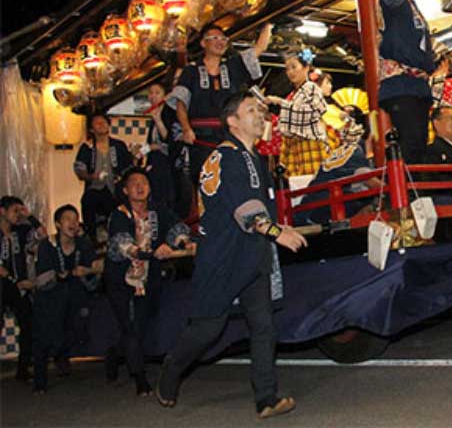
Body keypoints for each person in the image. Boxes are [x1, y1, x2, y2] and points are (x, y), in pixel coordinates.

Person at [157, 91, 307, 419]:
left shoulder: (254, 158)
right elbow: (244, 211)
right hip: (223, 258)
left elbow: (259, 208)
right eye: (251, 110)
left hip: (252, 255)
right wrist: (275, 232)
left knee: (264, 326)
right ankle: (172, 367)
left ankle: (265, 398)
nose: (260, 114)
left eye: (261, 109)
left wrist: (278, 226)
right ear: (232, 121)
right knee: (208, 330)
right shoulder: (225, 157)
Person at [105, 168, 192, 395]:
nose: (140, 186)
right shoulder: (119, 215)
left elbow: (177, 228)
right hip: (121, 280)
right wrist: (155, 252)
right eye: (134, 183)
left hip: (149, 278)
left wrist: (181, 243)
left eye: (144, 182)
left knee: (140, 325)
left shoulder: (157, 211)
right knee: (131, 327)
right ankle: (140, 379)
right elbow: (124, 245)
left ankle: (115, 354)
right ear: (125, 190)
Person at [168, 22, 271, 189]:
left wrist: (268, 24)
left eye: (224, 38)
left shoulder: (231, 67)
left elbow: (258, 49)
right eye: (214, 38)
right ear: (203, 43)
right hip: (200, 140)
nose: (220, 42)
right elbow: (180, 102)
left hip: (230, 136)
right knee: (207, 184)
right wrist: (186, 129)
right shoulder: (191, 71)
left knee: (235, 180)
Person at [377, 0, 438, 164]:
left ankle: (416, 196)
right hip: (401, 85)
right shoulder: (391, 0)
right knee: (411, 146)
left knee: (419, 145)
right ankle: (410, 197)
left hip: (415, 85)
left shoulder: (410, 6)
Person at [30, 205, 97, 393]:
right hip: (49, 298)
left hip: (74, 296)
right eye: (67, 219)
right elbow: (45, 276)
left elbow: (96, 265)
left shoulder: (83, 243)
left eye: (75, 219)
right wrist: (66, 274)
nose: (73, 223)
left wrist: (89, 270)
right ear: (58, 224)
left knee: (77, 329)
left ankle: (62, 356)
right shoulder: (47, 245)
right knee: (43, 338)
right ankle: (40, 381)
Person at [297, 107, 379, 225]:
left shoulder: (344, 150)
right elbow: (365, 175)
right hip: (324, 209)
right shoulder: (357, 152)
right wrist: (388, 193)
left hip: (309, 205)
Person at [266, 49, 329, 177]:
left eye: (294, 67)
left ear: (306, 67)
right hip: (294, 148)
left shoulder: (311, 88)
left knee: (312, 186)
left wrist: (280, 102)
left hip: (311, 145)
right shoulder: (293, 94)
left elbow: (309, 114)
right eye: (287, 69)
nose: (290, 72)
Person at [74, 112, 133, 243]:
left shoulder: (118, 145)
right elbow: (79, 168)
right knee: (88, 200)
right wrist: (90, 176)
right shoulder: (87, 147)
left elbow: (129, 167)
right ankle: (92, 239)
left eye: (104, 122)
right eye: (97, 122)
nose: (101, 124)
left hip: (116, 189)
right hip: (95, 190)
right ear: (91, 129)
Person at [1, 196, 35, 382]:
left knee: (27, 323)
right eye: (15, 210)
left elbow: (41, 236)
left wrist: (30, 216)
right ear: (2, 211)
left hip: (18, 284)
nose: (18, 215)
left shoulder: (21, 231)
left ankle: (23, 369)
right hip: (2, 283)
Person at [143, 81, 177, 210]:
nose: (153, 96)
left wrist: (158, 120)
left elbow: (170, 140)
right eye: (150, 93)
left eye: (157, 93)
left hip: (168, 165)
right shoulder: (154, 114)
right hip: (155, 163)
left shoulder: (170, 113)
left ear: (165, 95)